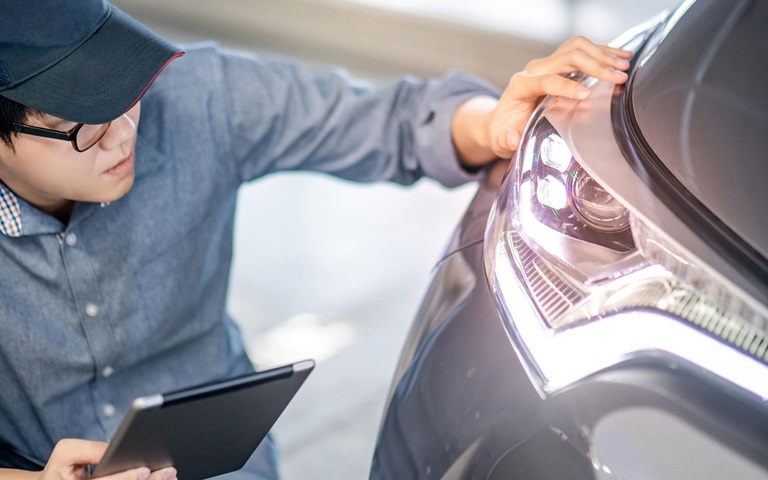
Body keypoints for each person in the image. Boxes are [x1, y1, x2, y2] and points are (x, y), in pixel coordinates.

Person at [0, 1, 631, 479]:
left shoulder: (198, 96)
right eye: (78, 126)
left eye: (125, 92)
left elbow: (391, 121)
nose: (122, 133)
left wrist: (492, 124)